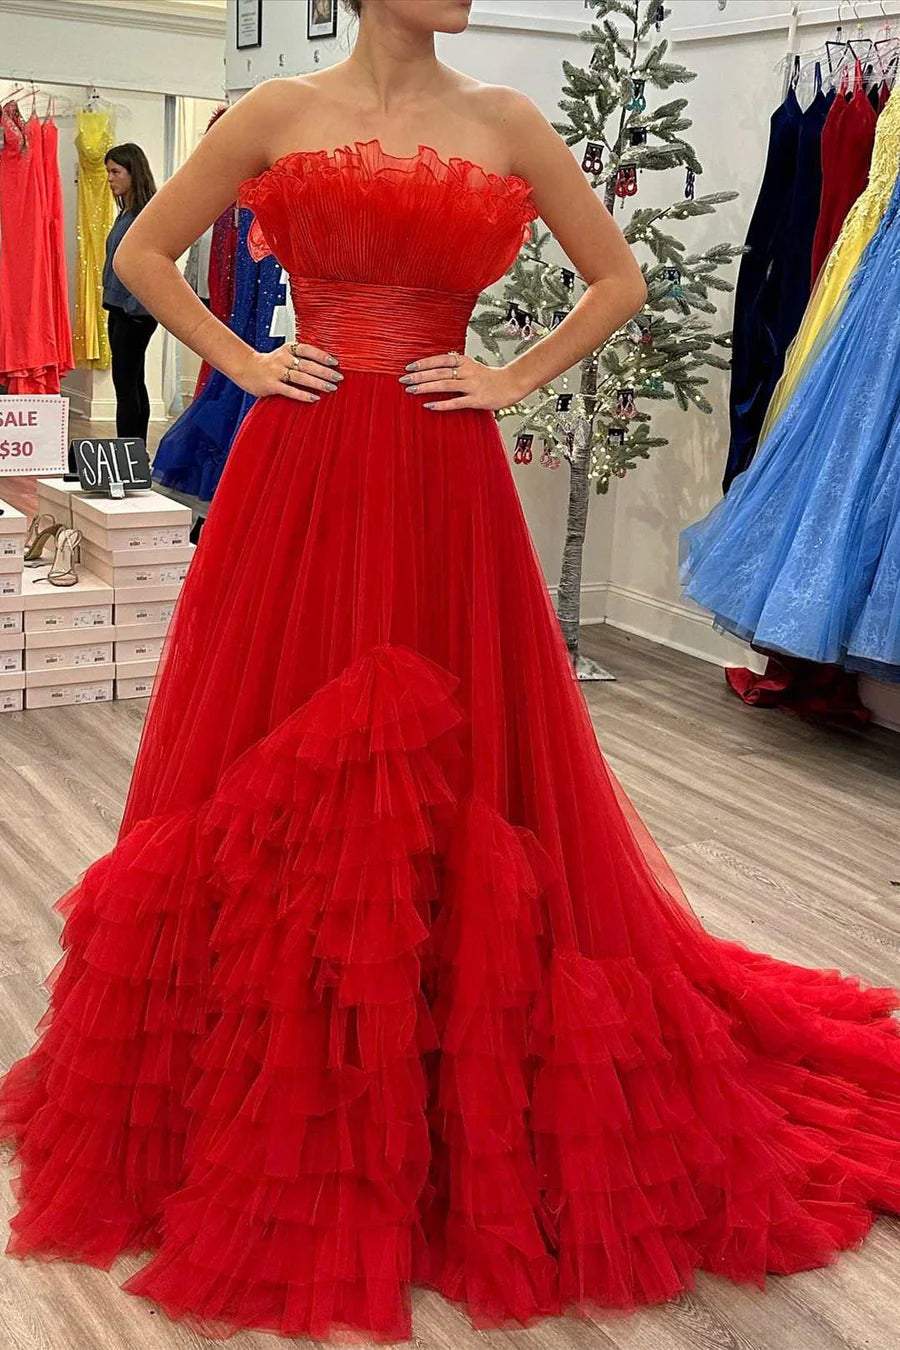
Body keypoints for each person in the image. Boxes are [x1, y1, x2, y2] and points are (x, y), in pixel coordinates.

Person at [1, 0, 898, 1342]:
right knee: (278, 740)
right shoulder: (276, 111)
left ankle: (443, 1053)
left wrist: (512, 375)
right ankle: (278, 1066)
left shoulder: (507, 121)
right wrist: (243, 361)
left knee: (462, 752)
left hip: (440, 473)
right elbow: (139, 252)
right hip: (301, 471)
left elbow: (619, 281)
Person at [102, 143, 158, 444]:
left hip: (134, 311)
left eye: (115, 172)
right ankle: (136, 451)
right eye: (108, 172)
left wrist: (136, 308)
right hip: (120, 307)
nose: (110, 178)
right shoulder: (125, 213)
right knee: (133, 382)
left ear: (133, 173)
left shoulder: (144, 216)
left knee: (126, 385)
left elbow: (150, 265)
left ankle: (128, 454)